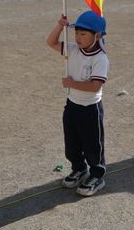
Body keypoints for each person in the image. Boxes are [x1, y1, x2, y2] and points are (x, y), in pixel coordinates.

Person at [46, 11, 109, 197]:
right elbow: (51, 42)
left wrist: (71, 83)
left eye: (83, 34)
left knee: (93, 145)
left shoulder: (100, 58)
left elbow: (95, 86)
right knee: (72, 142)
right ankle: (79, 168)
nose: (78, 37)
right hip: (72, 105)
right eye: (76, 33)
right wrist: (60, 25)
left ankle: (97, 175)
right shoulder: (73, 49)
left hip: (90, 109)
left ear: (97, 36)